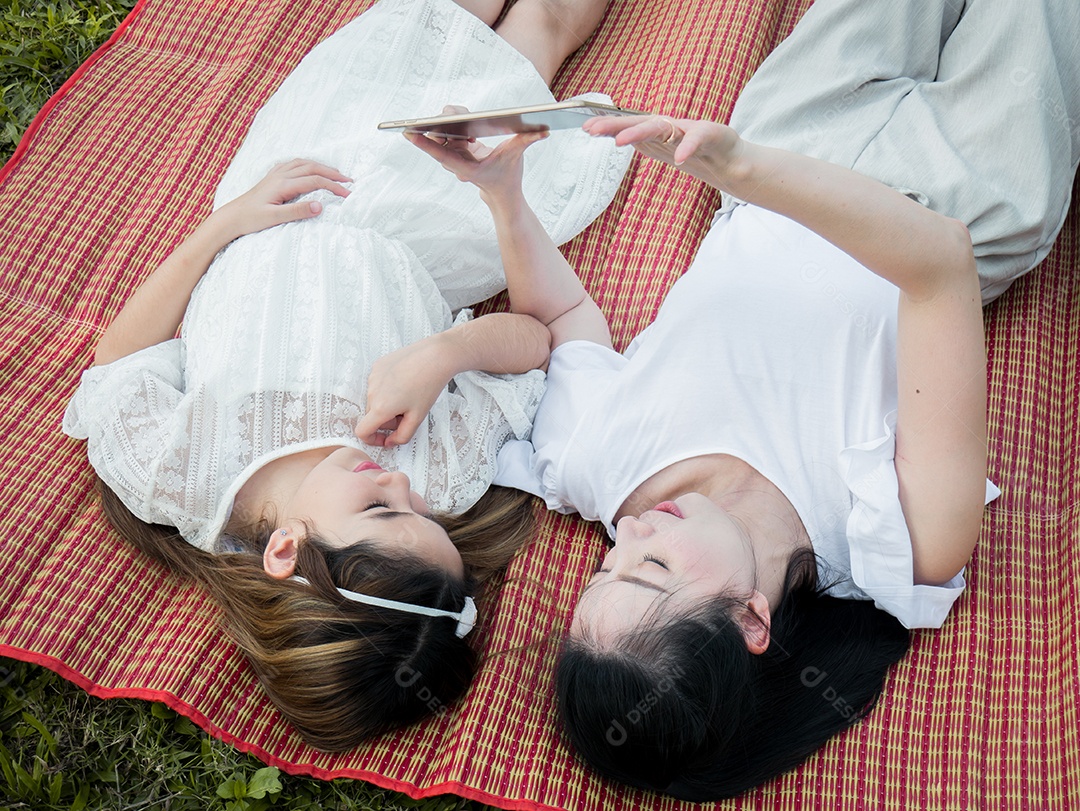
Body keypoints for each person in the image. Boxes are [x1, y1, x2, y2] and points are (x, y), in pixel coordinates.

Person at [408, 0, 1080, 798]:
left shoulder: (594, 465)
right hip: (959, 187)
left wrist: (501, 192)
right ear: (751, 620)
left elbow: (561, 318)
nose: (627, 532)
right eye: (649, 566)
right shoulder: (894, 544)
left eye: (605, 565)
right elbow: (938, 265)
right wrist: (742, 171)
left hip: (789, 131)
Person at [62, 0, 628, 752]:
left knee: (433, 15)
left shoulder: (175, 476)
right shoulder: (441, 469)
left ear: (286, 549)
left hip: (294, 178)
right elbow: (536, 340)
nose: (407, 489)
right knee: (539, 36)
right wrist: (445, 354)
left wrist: (222, 224)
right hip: (431, 216)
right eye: (425, 514)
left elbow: (119, 365)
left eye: (384, 510)